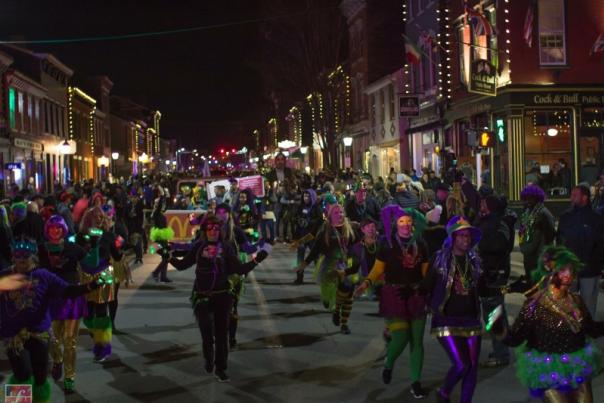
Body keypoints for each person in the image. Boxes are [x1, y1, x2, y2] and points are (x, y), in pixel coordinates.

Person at [0, 237, 107, 403]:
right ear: (12, 257)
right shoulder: (5, 275)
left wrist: (91, 286)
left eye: (24, 257)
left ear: (33, 258)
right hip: (13, 336)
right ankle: (17, 400)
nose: (20, 260)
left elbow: (67, 291)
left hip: (39, 334)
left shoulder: (43, 276)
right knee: (23, 373)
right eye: (17, 256)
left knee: (41, 376)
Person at [495, 246, 604, 402]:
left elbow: (591, 329)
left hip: (577, 366)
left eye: (571, 270)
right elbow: (516, 338)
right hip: (548, 371)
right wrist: (499, 329)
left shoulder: (576, 300)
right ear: (550, 272)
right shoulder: (534, 305)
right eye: (563, 270)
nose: (569, 275)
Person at [169, 214, 268, 382]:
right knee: (207, 333)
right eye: (209, 228)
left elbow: (239, 269)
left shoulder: (227, 247)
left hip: (223, 296)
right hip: (202, 296)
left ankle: (221, 368)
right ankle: (209, 358)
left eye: (216, 228)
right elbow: (182, 265)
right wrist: (167, 256)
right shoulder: (199, 246)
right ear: (204, 230)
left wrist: (256, 260)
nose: (213, 231)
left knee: (222, 335)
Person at [355, 206, 429, 398]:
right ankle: (389, 363)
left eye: (408, 221)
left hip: (416, 295)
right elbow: (378, 269)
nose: (405, 225)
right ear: (395, 224)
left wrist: (427, 291)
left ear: (413, 222)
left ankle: (415, 382)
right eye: (401, 221)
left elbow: (426, 274)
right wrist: (366, 283)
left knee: (417, 342)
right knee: (401, 337)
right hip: (394, 295)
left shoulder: (420, 243)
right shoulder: (387, 244)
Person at [424, 216, 484, 403]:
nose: (466, 240)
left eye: (468, 236)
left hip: (471, 320)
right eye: (462, 236)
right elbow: (427, 286)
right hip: (446, 319)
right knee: (461, 365)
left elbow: (482, 288)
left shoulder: (474, 261)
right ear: (453, 238)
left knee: (472, 367)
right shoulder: (440, 258)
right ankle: (444, 392)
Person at [39, 215, 100, 392]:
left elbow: (91, 265)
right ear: (47, 230)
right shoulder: (42, 250)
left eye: (59, 228)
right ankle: (57, 360)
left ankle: (69, 377)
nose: (55, 231)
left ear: (64, 230)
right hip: (50, 300)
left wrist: (95, 245)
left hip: (72, 299)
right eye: (52, 228)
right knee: (53, 339)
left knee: (69, 341)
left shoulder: (73, 248)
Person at [296, 204, 359, 321]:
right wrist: (304, 263)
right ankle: (326, 299)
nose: (340, 215)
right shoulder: (325, 230)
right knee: (328, 286)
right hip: (329, 263)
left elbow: (355, 246)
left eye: (341, 212)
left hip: (345, 262)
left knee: (341, 287)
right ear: (330, 216)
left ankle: (335, 306)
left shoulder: (349, 228)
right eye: (336, 213)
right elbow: (315, 250)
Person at [556, 185, 604, 318]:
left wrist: (597, 265)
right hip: (569, 269)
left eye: (575, 195)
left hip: (590, 269)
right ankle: (569, 331)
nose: (571, 198)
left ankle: (587, 332)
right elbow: (559, 240)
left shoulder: (596, 219)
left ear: (584, 197)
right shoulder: (566, 217)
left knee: (588, 305)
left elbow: (600, 244)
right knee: (567, 303)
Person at [519, 185, 555, 283]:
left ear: (537, 198)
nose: (528, 200)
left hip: (540, 255)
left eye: (531, 197)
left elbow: (551, 234)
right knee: (530, 284)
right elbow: (522, 230)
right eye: (526, 198)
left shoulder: (544, 213)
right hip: (528, 255)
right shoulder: (526, 212)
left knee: (540, 285)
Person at [291, 188, 322, 285]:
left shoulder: (316, 207)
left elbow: (320, 220)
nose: (306, 198)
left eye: (308, 196)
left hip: (312, 236)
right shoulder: (301, 206)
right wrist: (298, 220)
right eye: (304, 196)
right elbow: (294, 217)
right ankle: (299, 277)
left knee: (316, 257)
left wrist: (309, 222)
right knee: (300, 257)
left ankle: (320, 277)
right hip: (302, 236)